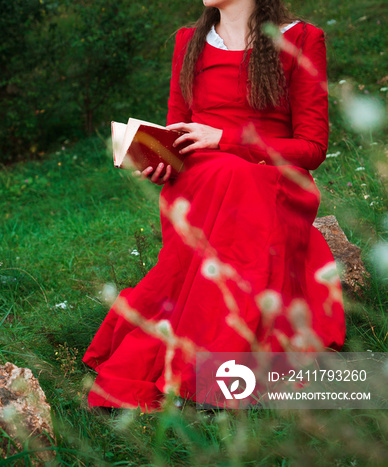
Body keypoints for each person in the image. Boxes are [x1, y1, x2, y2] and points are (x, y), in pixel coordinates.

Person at [82, 0, 346, 411]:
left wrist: (223, 138)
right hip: (202, 178)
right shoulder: (189, 42)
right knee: (225, 177)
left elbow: (312, 148)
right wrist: (161, 162)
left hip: (272, 177)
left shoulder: (302, 39)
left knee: (238, 178)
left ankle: (213, 374)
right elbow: (177, 129)